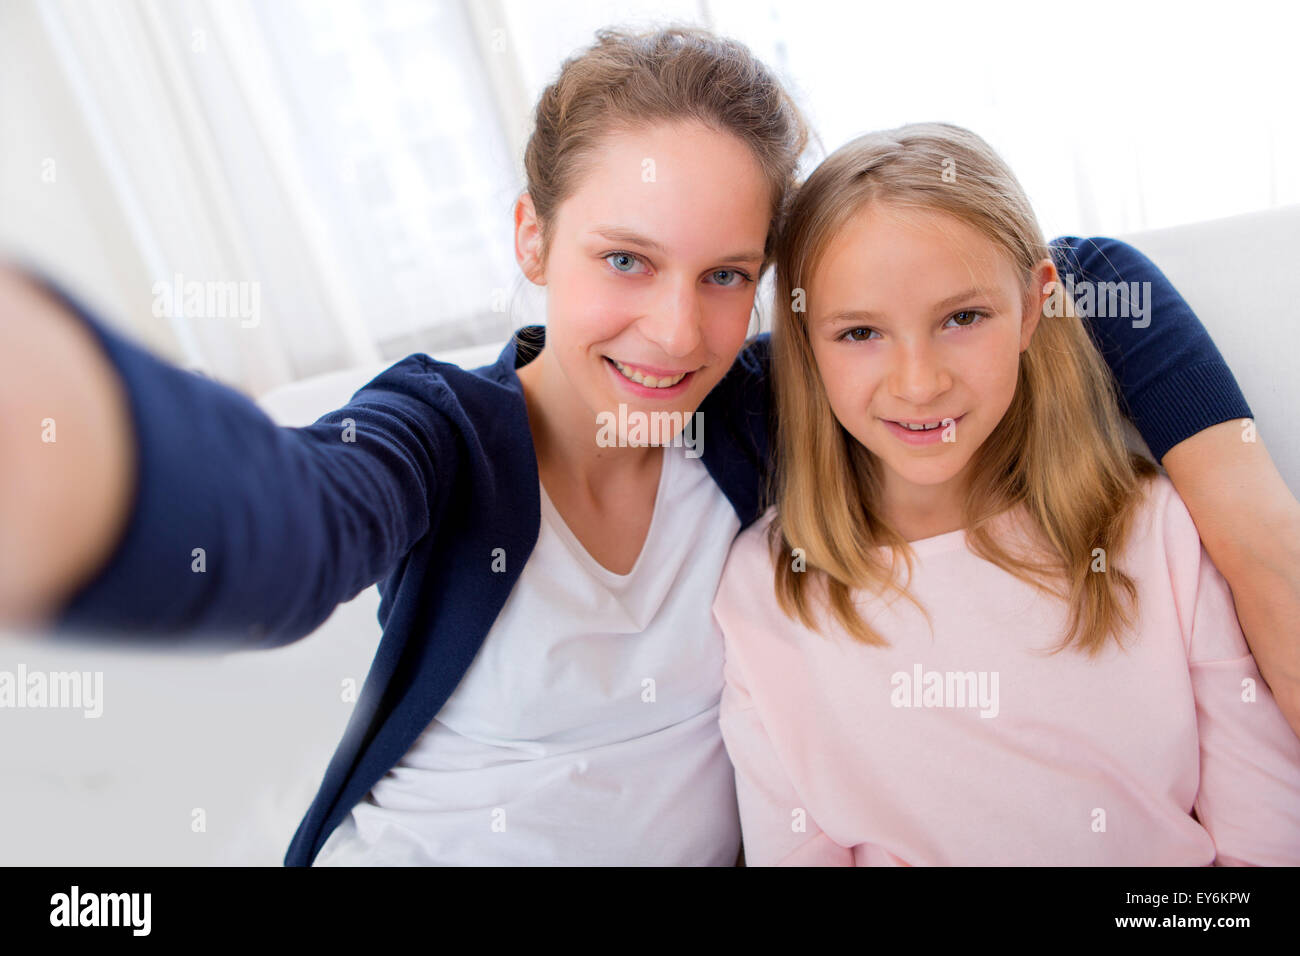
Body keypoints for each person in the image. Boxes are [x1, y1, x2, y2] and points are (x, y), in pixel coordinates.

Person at [0, 27, 1295, 867]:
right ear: (530, 240)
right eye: (625, 258)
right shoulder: (442, 440)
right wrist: (82, 445)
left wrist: (1249, 524)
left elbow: (1060, 279)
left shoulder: (761, 411)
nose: (674, 330)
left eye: (727, 273)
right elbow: (290, 521)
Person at [714, 122, 1300, 866]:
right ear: (801, 340)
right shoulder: (762, 593)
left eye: (963, 318)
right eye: (861, 332)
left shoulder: (1154, 530)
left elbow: (1267, 844)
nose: (920, 381)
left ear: (1032, 307)